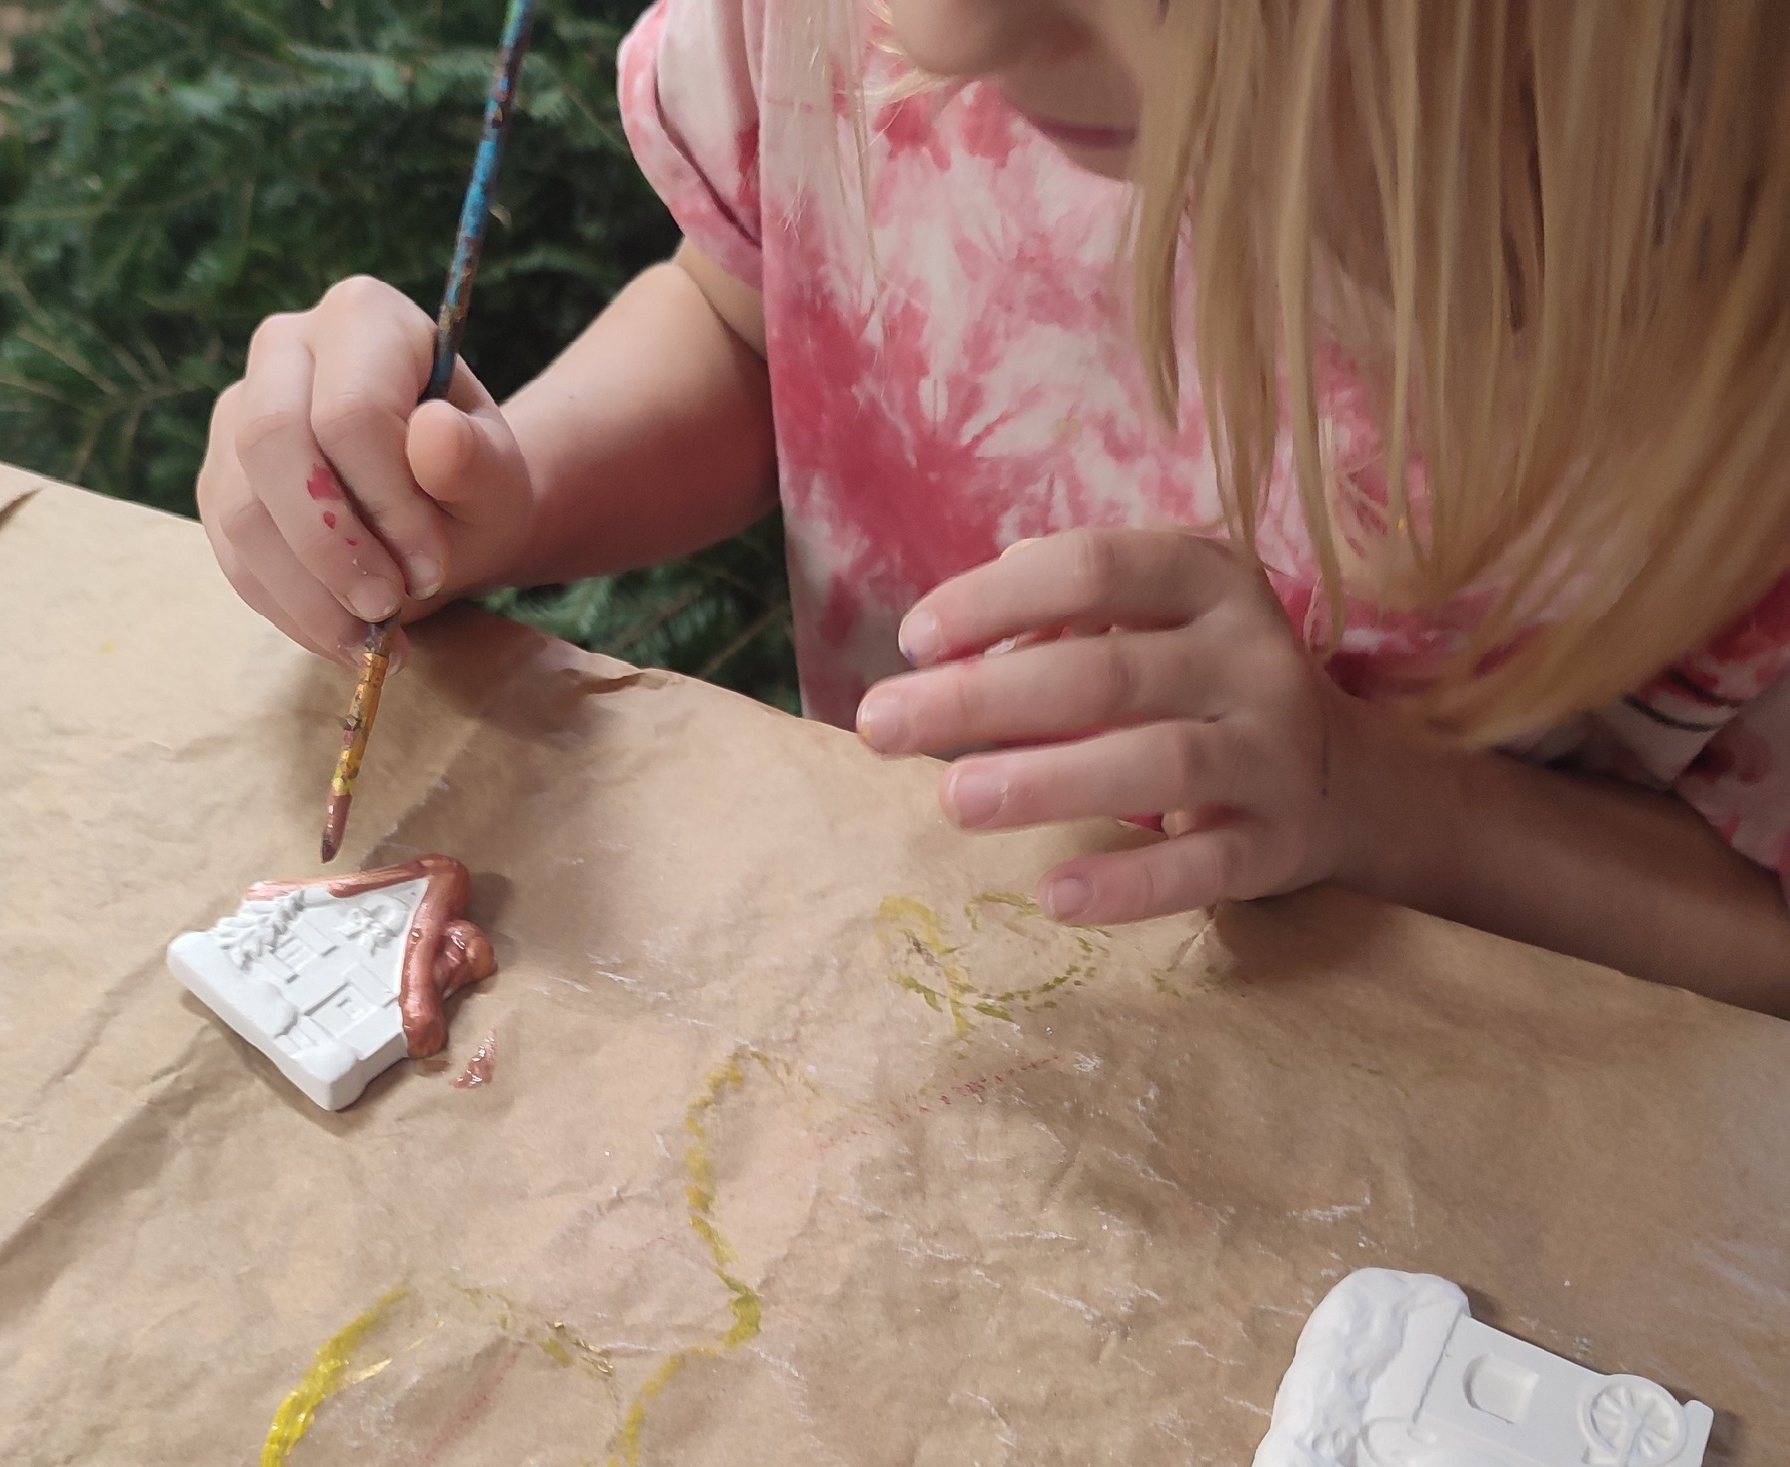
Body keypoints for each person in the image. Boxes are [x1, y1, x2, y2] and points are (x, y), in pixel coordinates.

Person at [196, 0, 1790, 1016]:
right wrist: (514, 485)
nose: (944, 33)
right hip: (916, 1023)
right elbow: (757, 321)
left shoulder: (1729, 346)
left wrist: (1380, 800)